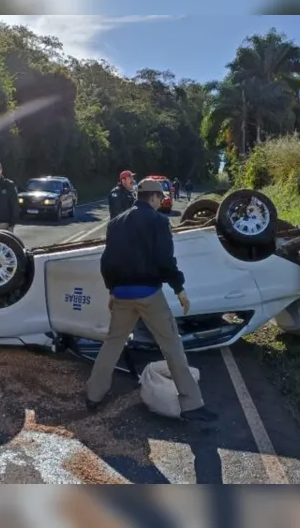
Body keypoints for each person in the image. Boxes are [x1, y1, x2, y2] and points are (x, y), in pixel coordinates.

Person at [86, 178, 218, 422]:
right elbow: (165, 261)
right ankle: (191, 403)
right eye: (161, 197)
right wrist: (179, 288)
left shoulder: (115, 223)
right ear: (154, 197)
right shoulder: (159, 222)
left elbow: (107, 262)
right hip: (149, 294)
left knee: (113, 343)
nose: (161, 202)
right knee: (171, 345)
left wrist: (112, 290)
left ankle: (93, 396)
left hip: (122, 294)